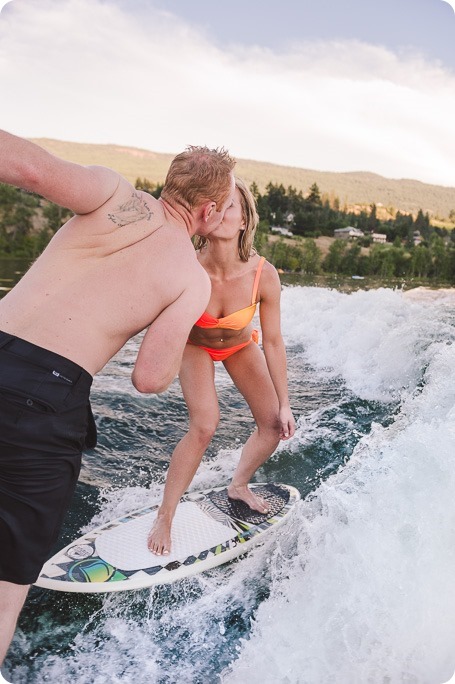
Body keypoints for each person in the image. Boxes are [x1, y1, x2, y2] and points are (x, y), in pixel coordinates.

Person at [0, 129, 236, 665]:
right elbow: (149, 380)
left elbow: (32, 170)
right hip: (43, 402)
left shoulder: (111, 193)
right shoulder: (189, 278)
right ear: (210, 208)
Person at [148, 177, 295, 556]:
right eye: (214, 204)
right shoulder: (186, 266)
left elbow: (275, 342)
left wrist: (286, 402)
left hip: (240, 346)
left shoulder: (264, 275)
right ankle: (166, 514)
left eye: (229, 206)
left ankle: (239, 484)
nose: (219, 211)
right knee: (205, 425)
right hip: (195, 345)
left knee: (274, 425)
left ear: (245, 220)